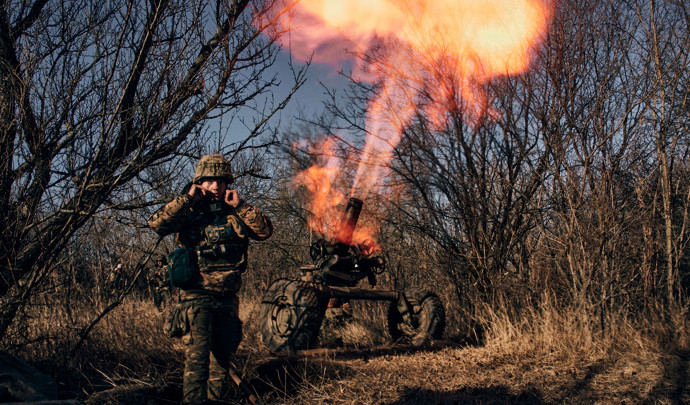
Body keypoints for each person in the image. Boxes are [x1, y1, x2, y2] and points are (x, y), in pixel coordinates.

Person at [147, 154, 273, 405]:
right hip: (196, 297)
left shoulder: (234, 212)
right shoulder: (188, 211)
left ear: (228, 183)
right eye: (209, 181)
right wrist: (186, 199)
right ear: (199, 183)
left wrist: (241, 205)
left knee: (221, 361)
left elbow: (265, 231)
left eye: (221, 181)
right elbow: (156, 224)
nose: (216, 186)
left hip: (227, 298)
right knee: (198, 358)